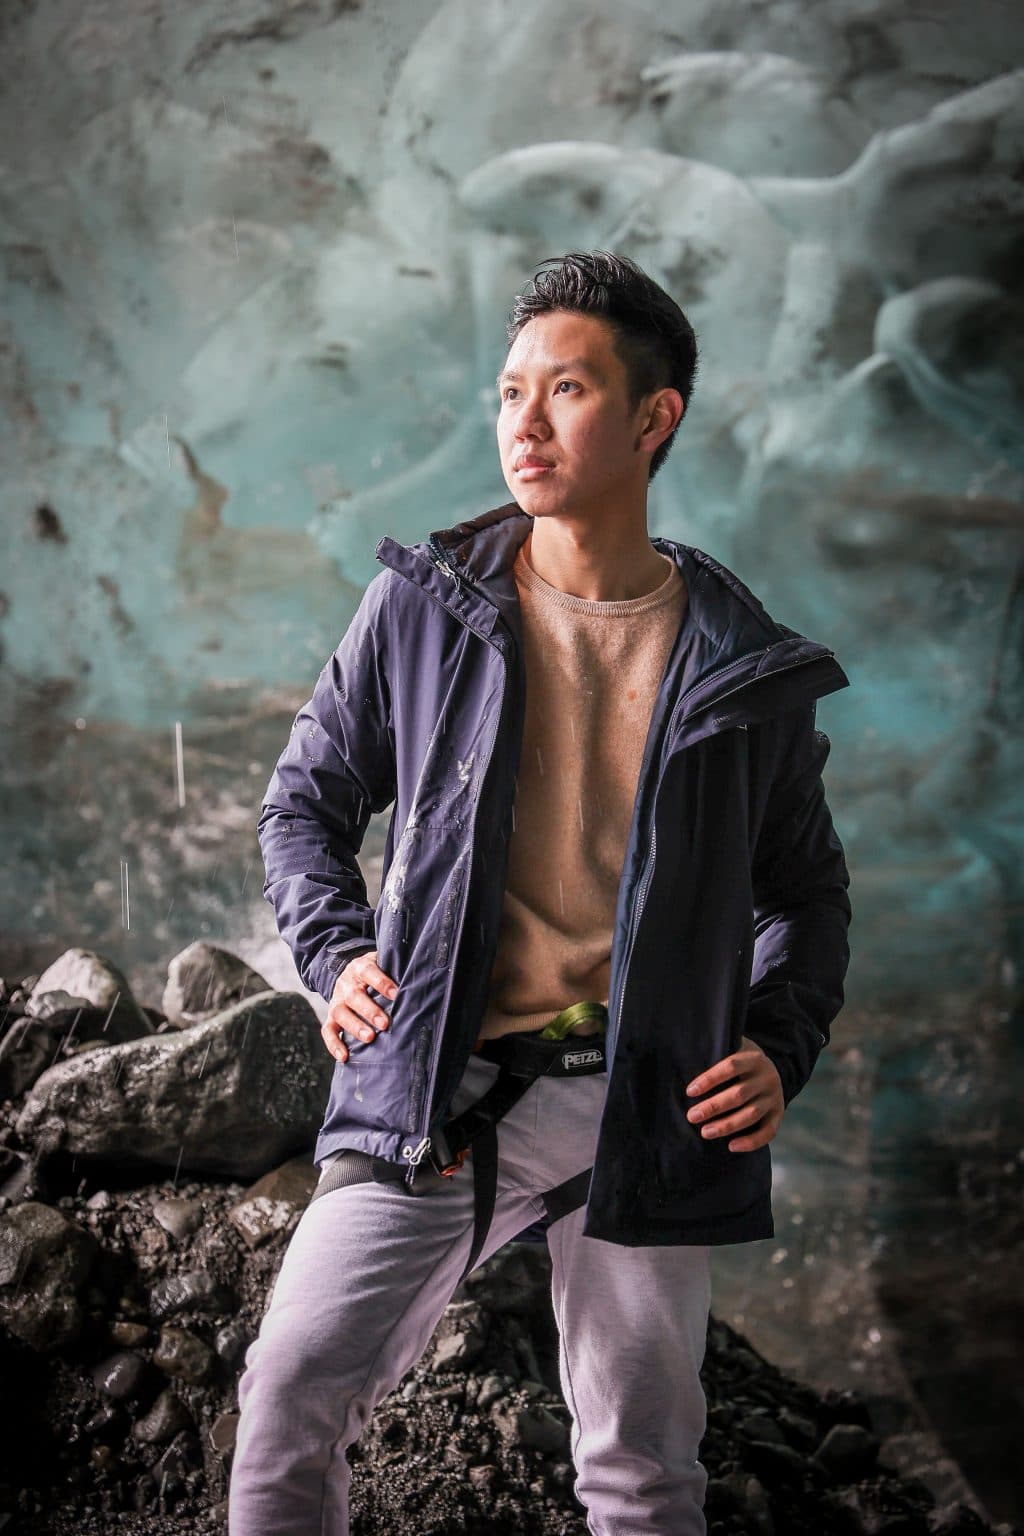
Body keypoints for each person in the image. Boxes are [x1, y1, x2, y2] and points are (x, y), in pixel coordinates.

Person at [229, 249, 852, 1535]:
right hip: (439, 1079)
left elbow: (805, 896)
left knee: (643, 1472)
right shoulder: (424, 609)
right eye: (510, 391)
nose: (524, 422)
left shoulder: (743, 672)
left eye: (565, 389)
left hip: (649, 1102)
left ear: (653, 417)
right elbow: (302, 806)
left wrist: (776, 1045)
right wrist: (334, 954)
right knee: (288, 1394)